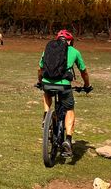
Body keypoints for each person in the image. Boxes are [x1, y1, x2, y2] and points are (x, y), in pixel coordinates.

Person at [36, 29, 91, 158]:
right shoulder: (74, 52)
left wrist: (40, 82)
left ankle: (46, 116)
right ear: (70, 41)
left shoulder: (48, 50)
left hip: (47, 82)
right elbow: (84, 71)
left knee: (46, 93)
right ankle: (68, 140)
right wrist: (87, 85)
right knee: (70, 109)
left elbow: (40, 68)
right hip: (64, 85)